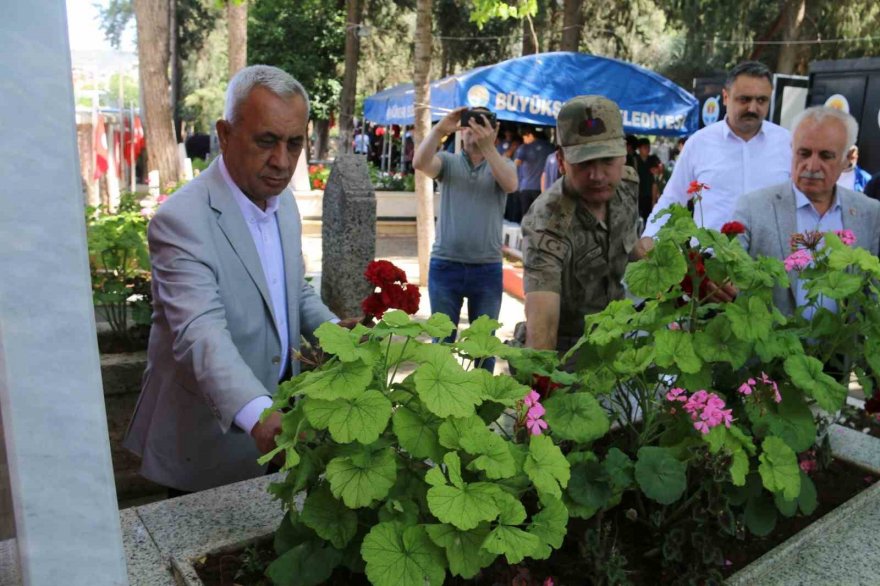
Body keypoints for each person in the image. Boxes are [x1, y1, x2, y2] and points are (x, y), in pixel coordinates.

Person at [123, 65, 356, 494]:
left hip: (281, 425)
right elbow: (199, 332)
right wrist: (260, 415)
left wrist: (336, 334)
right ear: (225, 134)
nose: (282, 161)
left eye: (294, 143)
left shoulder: (283, 203)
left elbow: (291, 289)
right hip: (206, 443)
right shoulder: (182, 220)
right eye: (266, 141)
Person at [732, 106, 880, 316]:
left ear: (847, 159)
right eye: (804, 153)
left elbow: (873, 295)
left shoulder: (870, 213)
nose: (811, 166)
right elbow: (730, 275)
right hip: (773, 336)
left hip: (843, 338)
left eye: (826, 156)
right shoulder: (752, 208)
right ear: (792, 149)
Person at [521, 95, 640, 353]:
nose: (597, 175)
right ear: (561, 161)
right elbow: (542, 327)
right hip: (569, 352)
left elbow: (632, 245)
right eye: (583, 163)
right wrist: (543, 373)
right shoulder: (546, 222)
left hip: (619, 336)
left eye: (607, 160)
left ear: (624, 153)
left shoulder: (627, 185)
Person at [637, 61, 791, 257]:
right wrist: (649, 238)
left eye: (761, 100)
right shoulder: (699, 144)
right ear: (725, 97)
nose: (753, 108)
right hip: (710, 266)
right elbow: (673, 199)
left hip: (768, 266)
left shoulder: (787, 144)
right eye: (744, 99)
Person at [412, 106, 517, 372]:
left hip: (487, 269)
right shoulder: (448, 162)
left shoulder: (503, 165)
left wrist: (488, 147)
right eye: (470, 125)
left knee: (484, 347)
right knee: (442, 343)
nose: (474, 131)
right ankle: (442, 397)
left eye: (482, 125)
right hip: (446, 266)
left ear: (494, 131)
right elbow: (420, 163)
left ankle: (480, 398)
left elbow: (511, 184)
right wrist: (440, 129)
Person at [511, 127, 555, 222]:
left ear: (530, 135)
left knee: (526, 218)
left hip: (526, 187)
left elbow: (515, 164)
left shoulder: (525, 147)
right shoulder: (551, 147)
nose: (524, 140)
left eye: (524, 137)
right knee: (539, 218)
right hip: (542, 188)